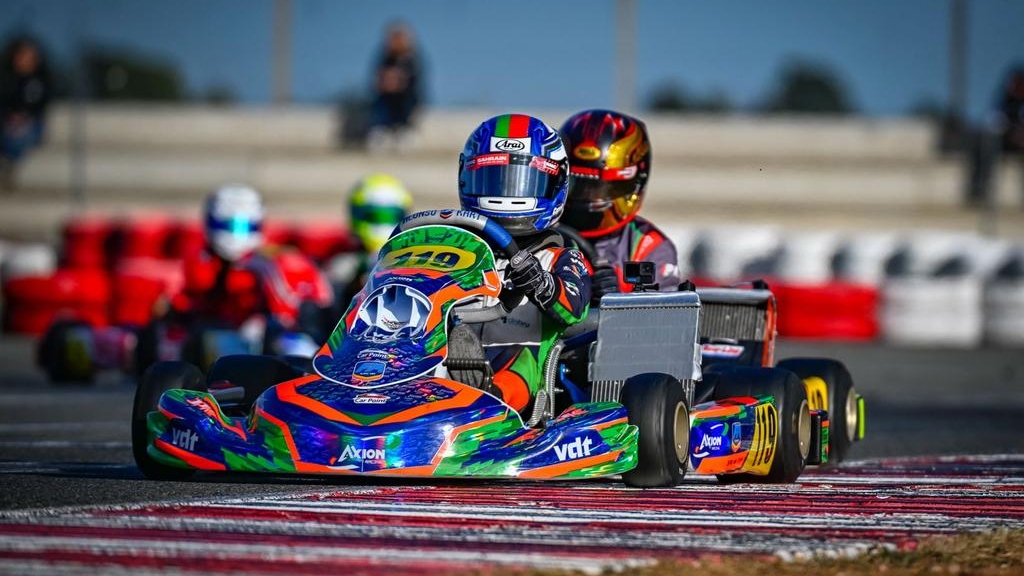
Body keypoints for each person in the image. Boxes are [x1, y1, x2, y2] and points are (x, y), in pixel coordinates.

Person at [457, 114, 591, 413]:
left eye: (522, 182)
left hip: (523, 388)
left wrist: (542, 284)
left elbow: (575, 308)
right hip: (449, 358)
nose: (506, 194)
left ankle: (491, 399)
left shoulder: (560, 257)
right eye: (493, 179)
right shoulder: (456, 252)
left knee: (521, 357)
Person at [170, 184, 335, 343]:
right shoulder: (198, 262)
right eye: (227, 225)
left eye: (243, 226)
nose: (235, 235)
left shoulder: (273, 264)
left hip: (269, 343)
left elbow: (301, 315)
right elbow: (180, 304)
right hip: (216, 340)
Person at [558, 109, 680, 301]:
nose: (587, 196)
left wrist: (617, 300)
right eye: (577, 185)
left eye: (600, 188)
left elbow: (661, 316)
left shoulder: (649, 247)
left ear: (634, 183)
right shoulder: (542, 231)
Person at [326, 173, 413, 310]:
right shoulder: (342, 265)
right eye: (374, 216)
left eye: (388, 216)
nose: (382, 224)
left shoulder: (411, 259)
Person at [0, 36, 52, 191]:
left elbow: (40, 105)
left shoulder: (41, 80)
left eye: (30, 56)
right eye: (22, 56)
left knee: (20, 134)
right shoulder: (6, 78)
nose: (25, 60)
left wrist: (24, 116)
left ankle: (7, 165)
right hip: (7, 122)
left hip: (31, 122)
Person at [367, 22, 422, 151]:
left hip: (406, 100)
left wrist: (398, 81)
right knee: (381, 102)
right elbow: (377, 79)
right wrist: (386, 82)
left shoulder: (412, 59)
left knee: (406, 101)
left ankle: (404, 130)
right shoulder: (384, 58)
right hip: (386, 98)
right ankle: (381, 131)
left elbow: (414, 82)